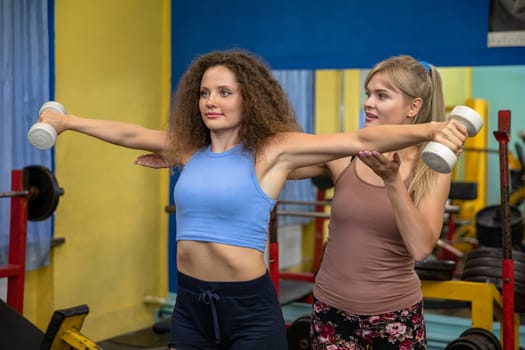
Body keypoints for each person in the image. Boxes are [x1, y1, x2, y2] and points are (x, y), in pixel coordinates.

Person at [36, 50, 467, 350]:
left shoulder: (273, 150)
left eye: (224, 92)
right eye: (204, 93)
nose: (211, 101)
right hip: (193, 301)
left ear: (250, 98)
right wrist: (67, 121)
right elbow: (131, 134)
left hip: (252, 304)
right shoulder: (190, 147)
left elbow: (359, 138)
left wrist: (433, 131)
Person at [288, 55, 455, 349]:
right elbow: (282, 167)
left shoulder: (429, 168)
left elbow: (420, 247)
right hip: (331, 310)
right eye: (368, 94)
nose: (368, 103)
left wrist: (393, 182)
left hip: (395, 316)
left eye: (382, 96)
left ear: (413, 107)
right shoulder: (346, 155)